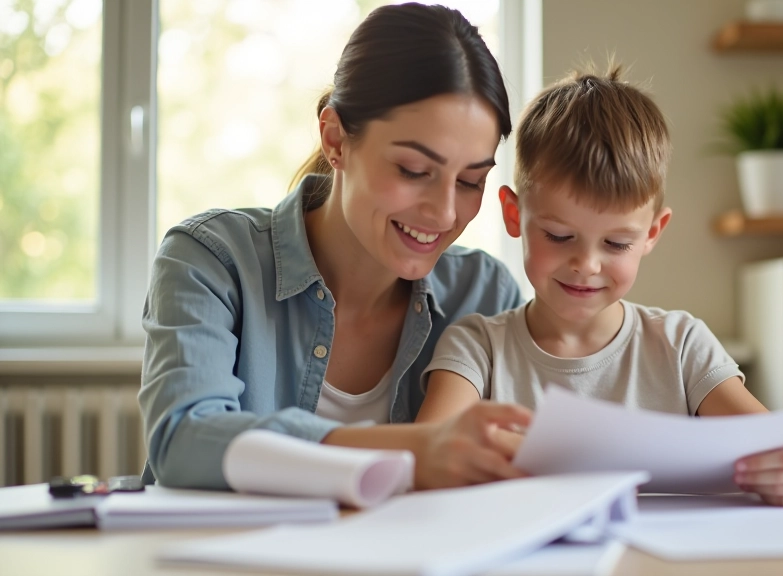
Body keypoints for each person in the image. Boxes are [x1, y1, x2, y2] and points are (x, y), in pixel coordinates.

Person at [139, 3, 532, 492]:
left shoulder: (485, 294)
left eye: (471, 181)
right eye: (413, 170)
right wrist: (411, 450)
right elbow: (183, 440)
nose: (446, 213)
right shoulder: (210, 260)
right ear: (336, 139)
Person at [414, 66, 783, 507]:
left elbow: (775, 450)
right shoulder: (476, 347)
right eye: (559, 236)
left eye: (617, 243)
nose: (586, 265)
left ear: (653, 233)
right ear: (514, 215)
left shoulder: (681, 346)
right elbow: (423, 462)